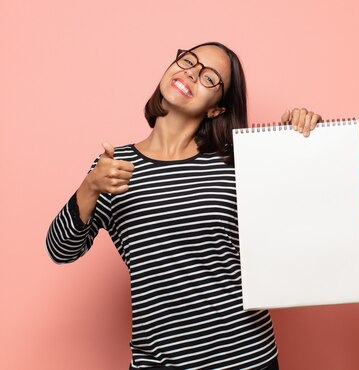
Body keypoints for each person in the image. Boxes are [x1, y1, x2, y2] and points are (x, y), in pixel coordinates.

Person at [45, 41, 322, 370]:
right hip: (158, 362)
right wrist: (89, 187)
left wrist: (301, 138)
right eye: (189, 61)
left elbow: (305, 217)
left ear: (217, 108)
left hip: (246, 357)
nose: (191, 73)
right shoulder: (115, 166)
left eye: (209, 77)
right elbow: (61, 250)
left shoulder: (238, 161)